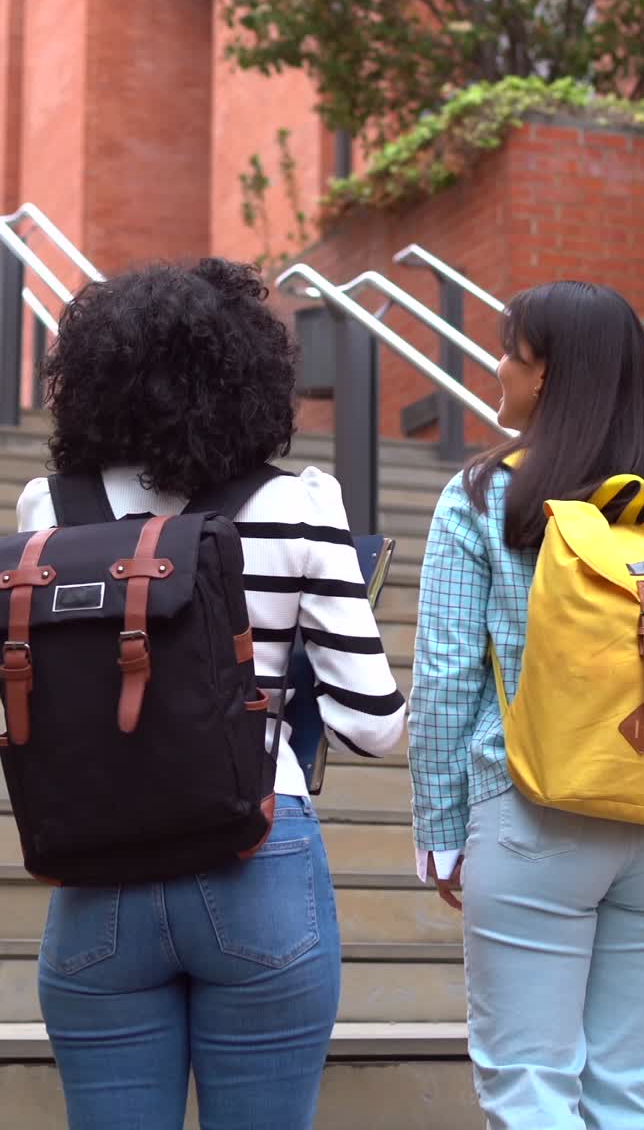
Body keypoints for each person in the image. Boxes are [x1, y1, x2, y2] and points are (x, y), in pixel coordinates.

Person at [17, 257, 405, 1130]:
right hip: (258, 852)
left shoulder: (51, 507)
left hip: (97, 863)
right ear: (249, 381)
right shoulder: (303, 504)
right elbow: (373, 727)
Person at [408, 280, 644, 1130]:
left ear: (545, 375)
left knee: (533, 1088)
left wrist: (439, 830)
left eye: (510, 350)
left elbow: (441, 677)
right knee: (634, 1091)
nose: (496, 366)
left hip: (532, 812)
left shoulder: (481, 500)